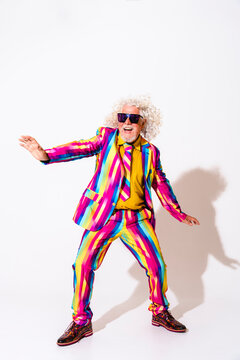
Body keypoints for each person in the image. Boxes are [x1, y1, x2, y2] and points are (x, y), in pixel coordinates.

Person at [19, 95, 200, 346]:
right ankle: (81, 322)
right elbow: (78, 148)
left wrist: (178, 212)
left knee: (156, 265)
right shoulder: (105, 139)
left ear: (142, 122)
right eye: (122, 117)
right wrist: (44, 154)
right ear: (117, 120)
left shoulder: (150, 151)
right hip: (104, 217)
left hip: (136, 219)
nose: (127, 122)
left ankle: (160, 312)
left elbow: (160, 183)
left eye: (133, 118)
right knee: (82, 264)